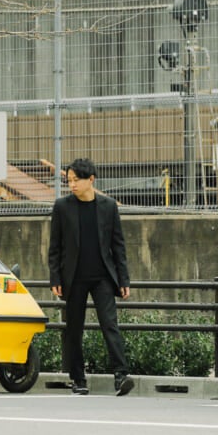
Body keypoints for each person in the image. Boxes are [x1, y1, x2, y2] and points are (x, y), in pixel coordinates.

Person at [47, 158, 134, 396]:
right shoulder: (62, 207)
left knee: (110, 325)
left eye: (77, 180)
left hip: (103, 277)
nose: (72, 185)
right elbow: (55, 247)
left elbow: (118, 246)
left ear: (91, 180)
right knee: (74, 329)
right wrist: (54, 278)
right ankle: (78, 378)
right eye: (69, 180)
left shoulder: (108, 206)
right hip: (73, 278)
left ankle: (121, 375)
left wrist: (123, 279)